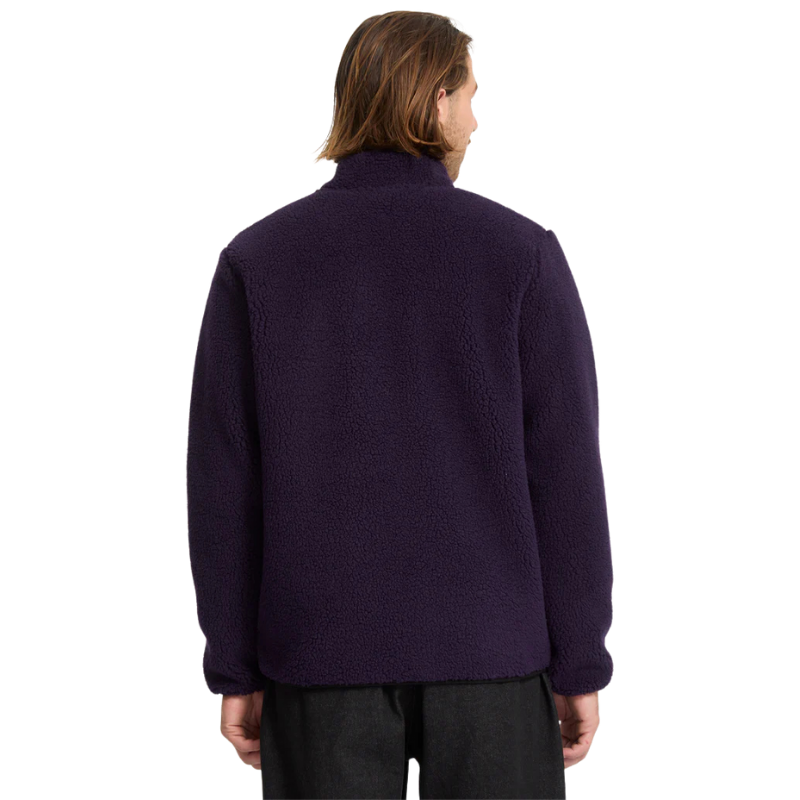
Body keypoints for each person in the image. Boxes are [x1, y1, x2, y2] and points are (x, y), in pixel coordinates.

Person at [187, 11, 614, 799]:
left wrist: (235, 667)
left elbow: (224, 486)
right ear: (436, 100)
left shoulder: (259, 261)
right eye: (472, 96)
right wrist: (580, 659)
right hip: (491, 658)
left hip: (318, 659)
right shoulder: (520, 254)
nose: (477, 122)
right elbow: (564, 477)